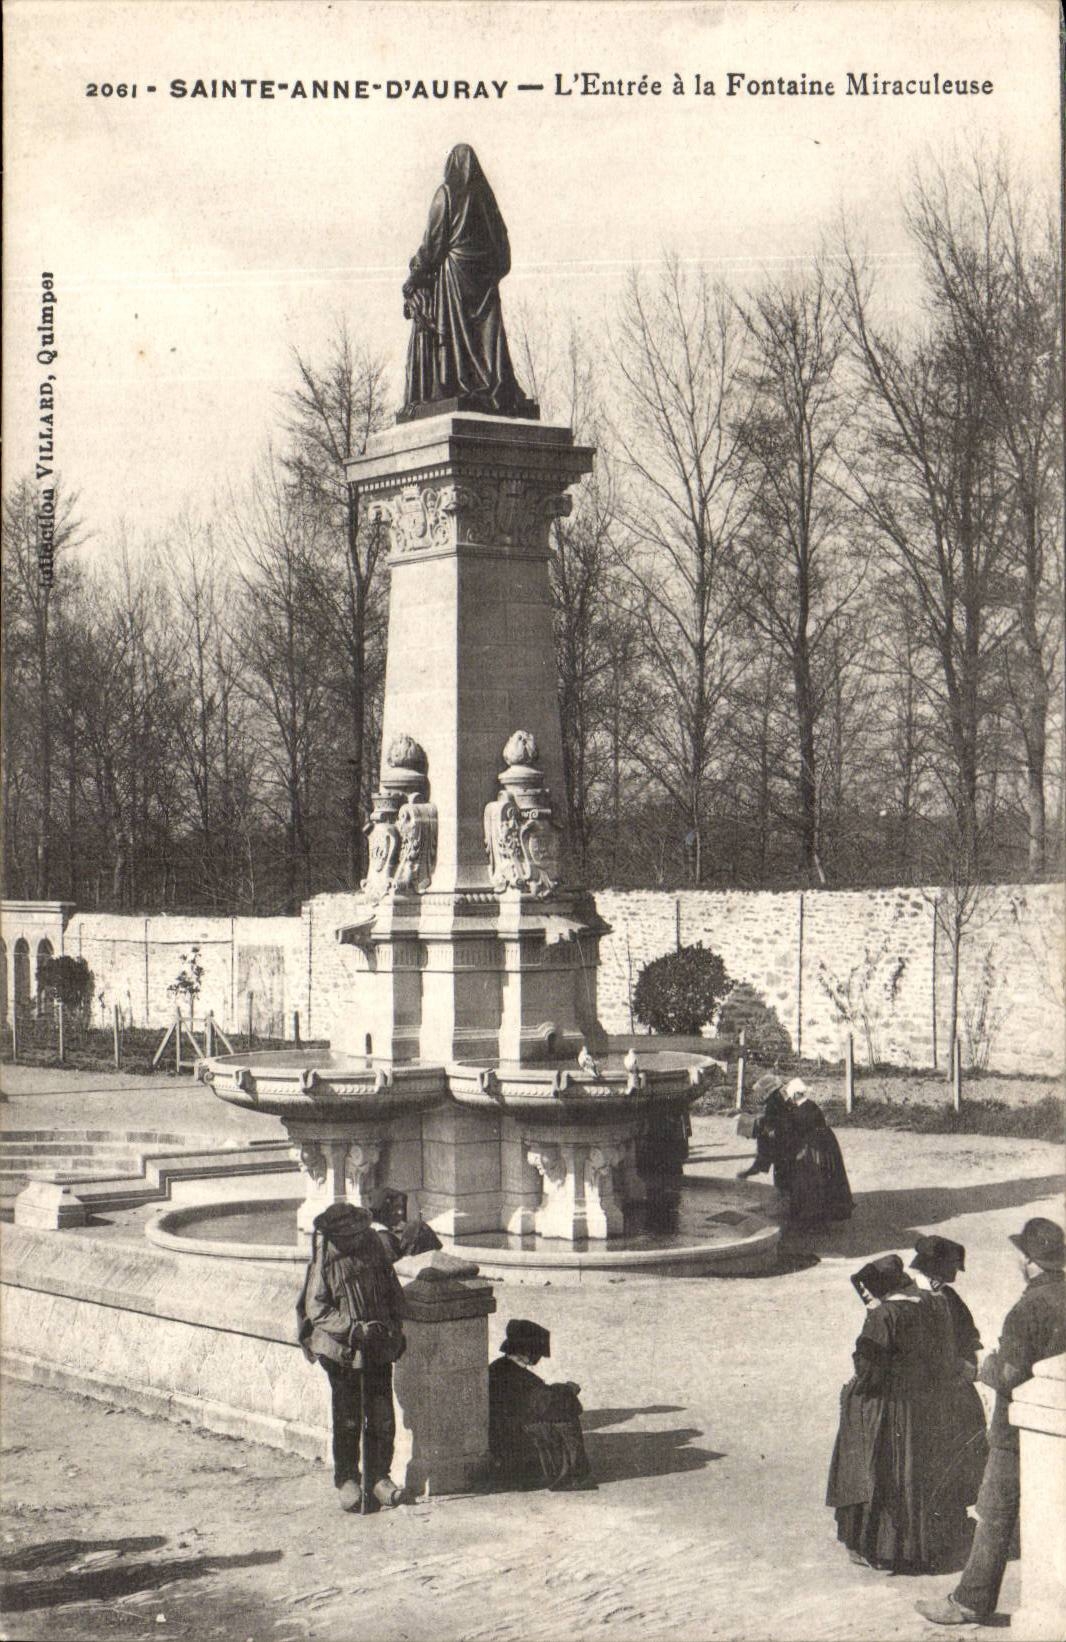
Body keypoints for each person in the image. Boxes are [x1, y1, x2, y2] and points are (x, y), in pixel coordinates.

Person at [916, 1218, 1066, 1626]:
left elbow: (1010, 1374)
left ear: (1030, 1261)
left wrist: (984, 1366)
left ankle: (970, 1601)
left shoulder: (1027, 1308)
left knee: (994, 1512)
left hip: (1015, 1433)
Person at [827, 1254, 959, 1572]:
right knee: (915, 1470)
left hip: (886, 1405)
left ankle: (875, 1546)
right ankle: (920, 1547)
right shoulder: (933, 1304)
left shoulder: (883, 1315)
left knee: (870, 1465)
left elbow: (868, 1369)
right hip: (922, 1402)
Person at [402, 143, 534, 417]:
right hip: (485, 285)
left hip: (455, 283)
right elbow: (504, 255)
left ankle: (457, 385)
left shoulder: (446, 194)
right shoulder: (488, 201)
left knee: (457, 345)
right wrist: (486, 270)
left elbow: (433, 246)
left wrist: (414, 277)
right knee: (486, 347)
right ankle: (488, 389)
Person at [296, 1201, 409, 1512]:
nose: (361, 1238)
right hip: (342, 1351)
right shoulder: (325, 1256)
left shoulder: (373, 1244)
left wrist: (395, 1326)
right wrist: (354, 1329)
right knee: (348, 1419)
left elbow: (391, 1288)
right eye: (353, 1235)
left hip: (378, 1345)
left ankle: (379, 1478)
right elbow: (317, 1309)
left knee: (382, 1416)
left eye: (363, 1232)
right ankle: (347, 1479)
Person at [909, 1233, 988, 1560]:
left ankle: (954, 1516)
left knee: (966, 1445)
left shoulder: (949, 1296)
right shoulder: (907, 1298)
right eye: (953, 1267)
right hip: (923, 1394)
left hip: (955, 1390)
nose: (957, 1273)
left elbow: (969, 1335)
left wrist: (968, 1364)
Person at [488, 1319, 592, 1491]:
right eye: (537, 1353)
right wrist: (569, 1390)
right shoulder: (517, 1377)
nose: (539, 1358)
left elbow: (539, 1397)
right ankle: (573, 1475)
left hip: (503, 1437)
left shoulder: (499, 1367)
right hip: (514, 1442)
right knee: (566, 1418)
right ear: (527, 1352)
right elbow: (550, 1404)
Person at [782, 1078, 854, 1228]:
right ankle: (816, 1216)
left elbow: (798, 1129)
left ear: (796, 1095)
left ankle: (812, 1217)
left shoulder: (805, 1109)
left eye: (791, 1097)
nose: (790, 1100)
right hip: (823, 1146)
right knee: (820, 1180)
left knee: (811, 1180)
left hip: (815, 1149)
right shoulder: (809, 1106)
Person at [736, 1071, 797, 1196]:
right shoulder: (784, 1098)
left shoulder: (772, 1105)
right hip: (793, 1145)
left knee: (783, 1182)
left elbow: (765, 1150)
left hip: (784, 1149)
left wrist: (749, 1172)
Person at [368, 1185, 443, 1263]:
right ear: (385, 1211)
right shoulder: (385, 1239)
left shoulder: (371, 1232)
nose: (401, 1212)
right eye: (397, 1208)